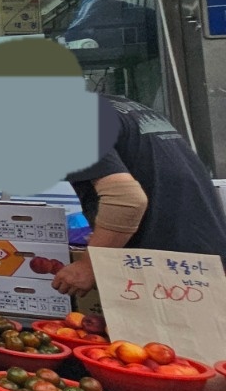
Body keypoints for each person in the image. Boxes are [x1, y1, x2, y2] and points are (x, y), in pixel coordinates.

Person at [51, 94, 226, 295]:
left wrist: (89, 266)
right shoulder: (121, 106)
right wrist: (107, 235)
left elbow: (126, 199)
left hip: (167, 274)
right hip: (203, 258)